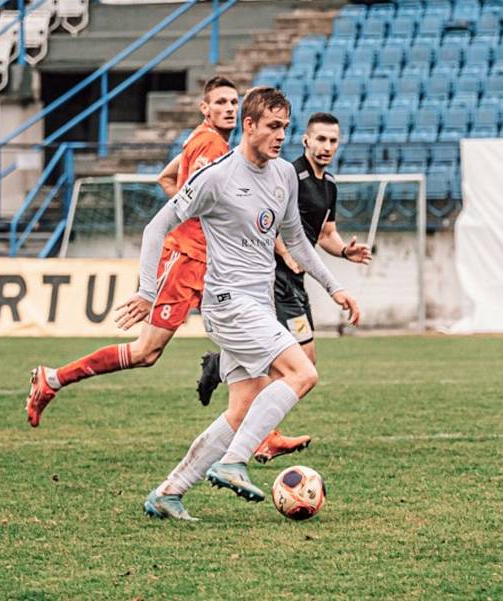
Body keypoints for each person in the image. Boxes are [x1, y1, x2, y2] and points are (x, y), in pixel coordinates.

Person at [25, 77, 309, 464]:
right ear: (204, 108)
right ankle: (53, 378)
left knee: (250, 343)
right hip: (188, 259)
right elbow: (215, 202)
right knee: (146, 351)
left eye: (233, 101)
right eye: (220, 102)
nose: (228, 107)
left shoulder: (206, 141)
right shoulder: (212, 147)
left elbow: (168, 178)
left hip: (213, 265)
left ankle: (258, 429)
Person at [124, 86, 360, 520]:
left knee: (242, 409)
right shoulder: (216, 176)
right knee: (303, 372)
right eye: (273, 127)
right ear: (248, 126)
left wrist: (333, 286)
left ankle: (168, 493)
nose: (280, 136)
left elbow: (297, 242)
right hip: (227, 302)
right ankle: (233, 462)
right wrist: (145, 290)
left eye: (285, 128)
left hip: (257, 305)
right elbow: (156, 228)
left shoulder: (283, 176)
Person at [194, 111, 372, 414]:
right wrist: (286, 252)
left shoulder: (328, 184)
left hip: (296, 279)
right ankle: (261, 432)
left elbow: (327, 234)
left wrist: (344, 252)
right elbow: (265, 222)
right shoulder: (287, 175)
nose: (327, 146)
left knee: (299, 362)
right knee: (298, 363)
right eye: (320, 139)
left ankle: (220, 366)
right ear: (306, 140)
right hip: (274, 277)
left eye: (333, 141)